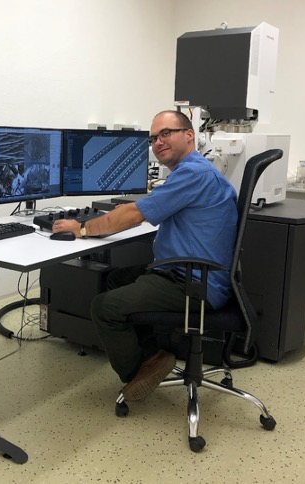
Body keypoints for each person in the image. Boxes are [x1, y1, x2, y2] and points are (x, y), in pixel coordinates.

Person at [52, 110, 238, 401]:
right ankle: (153, 355)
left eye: (166, 133)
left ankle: (138, 373)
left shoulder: (193, 173)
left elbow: (137, 213)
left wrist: (82, 228)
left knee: (104, 306)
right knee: (115, 278)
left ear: (189, 135)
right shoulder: (196, 170)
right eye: (153, 138)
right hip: (191, 272)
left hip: (193, 282)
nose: (158, 142)